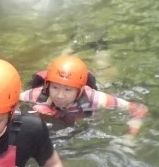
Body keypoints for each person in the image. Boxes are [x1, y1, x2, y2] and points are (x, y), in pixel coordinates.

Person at [20, 55, 148, 139]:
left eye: (68, 89)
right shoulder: (36, 96)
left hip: (93, 96)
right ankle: (69, 50)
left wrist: (129, 138)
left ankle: (101, 46)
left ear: (80, 91)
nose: (59, 95)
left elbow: (139, 108)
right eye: (55, 87)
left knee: (105, 71)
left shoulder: (95, 99)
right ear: (47, 86)